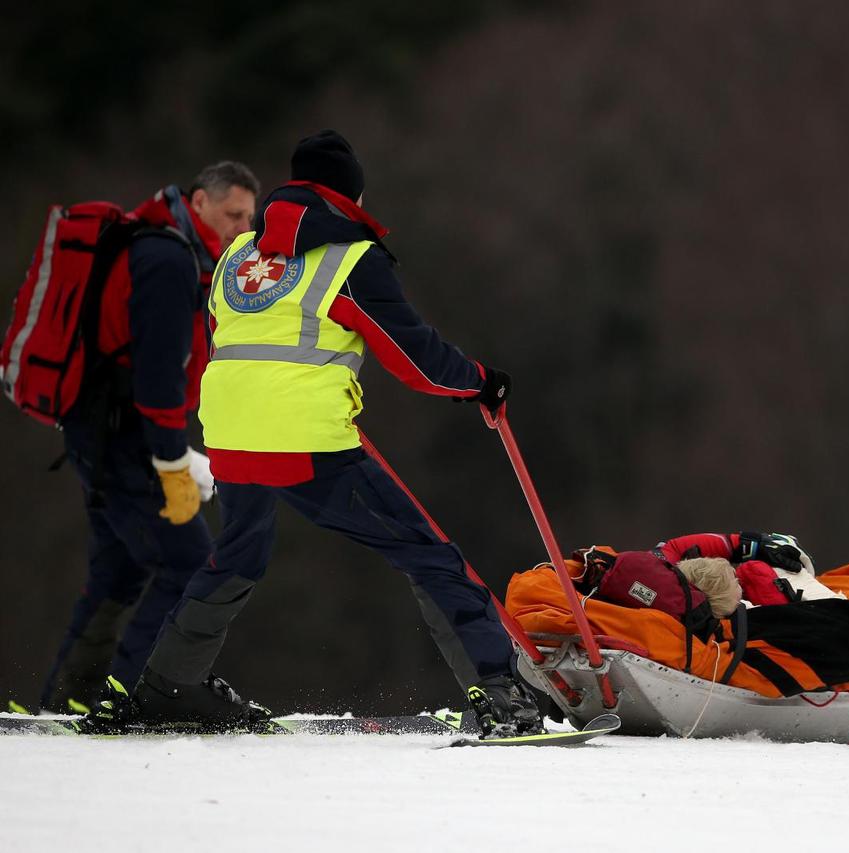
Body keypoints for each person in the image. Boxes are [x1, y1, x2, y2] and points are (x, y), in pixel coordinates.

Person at [90, 130, 538, 738]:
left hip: (229, 431)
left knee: (238, 554)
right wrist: (482, 382)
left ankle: (169, 687)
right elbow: (417, 358)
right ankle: (503, 696)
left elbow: (225, 334)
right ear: (351, 192)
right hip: (304, 441)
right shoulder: (353, 257)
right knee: (429, 555)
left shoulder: (237, 252)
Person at [41, 162, 260, 712]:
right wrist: (170, 464)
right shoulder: (167, 260)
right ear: (200, 203)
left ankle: (72, 698)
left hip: (101, 431)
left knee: (122, 566)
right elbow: (159, 378)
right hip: (125, 437)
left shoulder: (163, 245)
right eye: (234, 214)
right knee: (190, 562)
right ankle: (134, 695)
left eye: (249, 218)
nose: (242, 228)